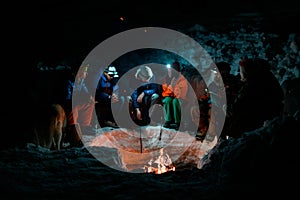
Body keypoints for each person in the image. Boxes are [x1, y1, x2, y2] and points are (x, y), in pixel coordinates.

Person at [225, 58, 284, 138]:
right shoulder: (266, 76)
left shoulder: (252, 84)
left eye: (242, 71)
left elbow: (239, 105)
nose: (240, 73)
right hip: (271, 115)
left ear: (247, 72)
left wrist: (228, 109)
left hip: (258, 119)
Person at [65, 65, 96, 146]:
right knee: (73, 107)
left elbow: (85, 92)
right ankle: (73, 128)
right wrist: (78, 99)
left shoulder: (81, 81)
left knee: (90, 103)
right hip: (69, 103)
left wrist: (89, 97)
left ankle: (84, 125)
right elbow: (67, 98)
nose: (87, 74)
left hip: (76, 101)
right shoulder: (69, 81)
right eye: (85, 72)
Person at [161, 61, 188, 130]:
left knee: (175, 101)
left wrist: (174, 85)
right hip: (173, 97)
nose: (169, 73)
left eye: (170, 71)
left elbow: (179, 95)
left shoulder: (182, 80)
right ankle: (168, 120)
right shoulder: (167, 79)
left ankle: (178, 122)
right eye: (168, 71)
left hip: (181, 98)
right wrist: (171, 86)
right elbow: (165, 93)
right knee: (167, 100)